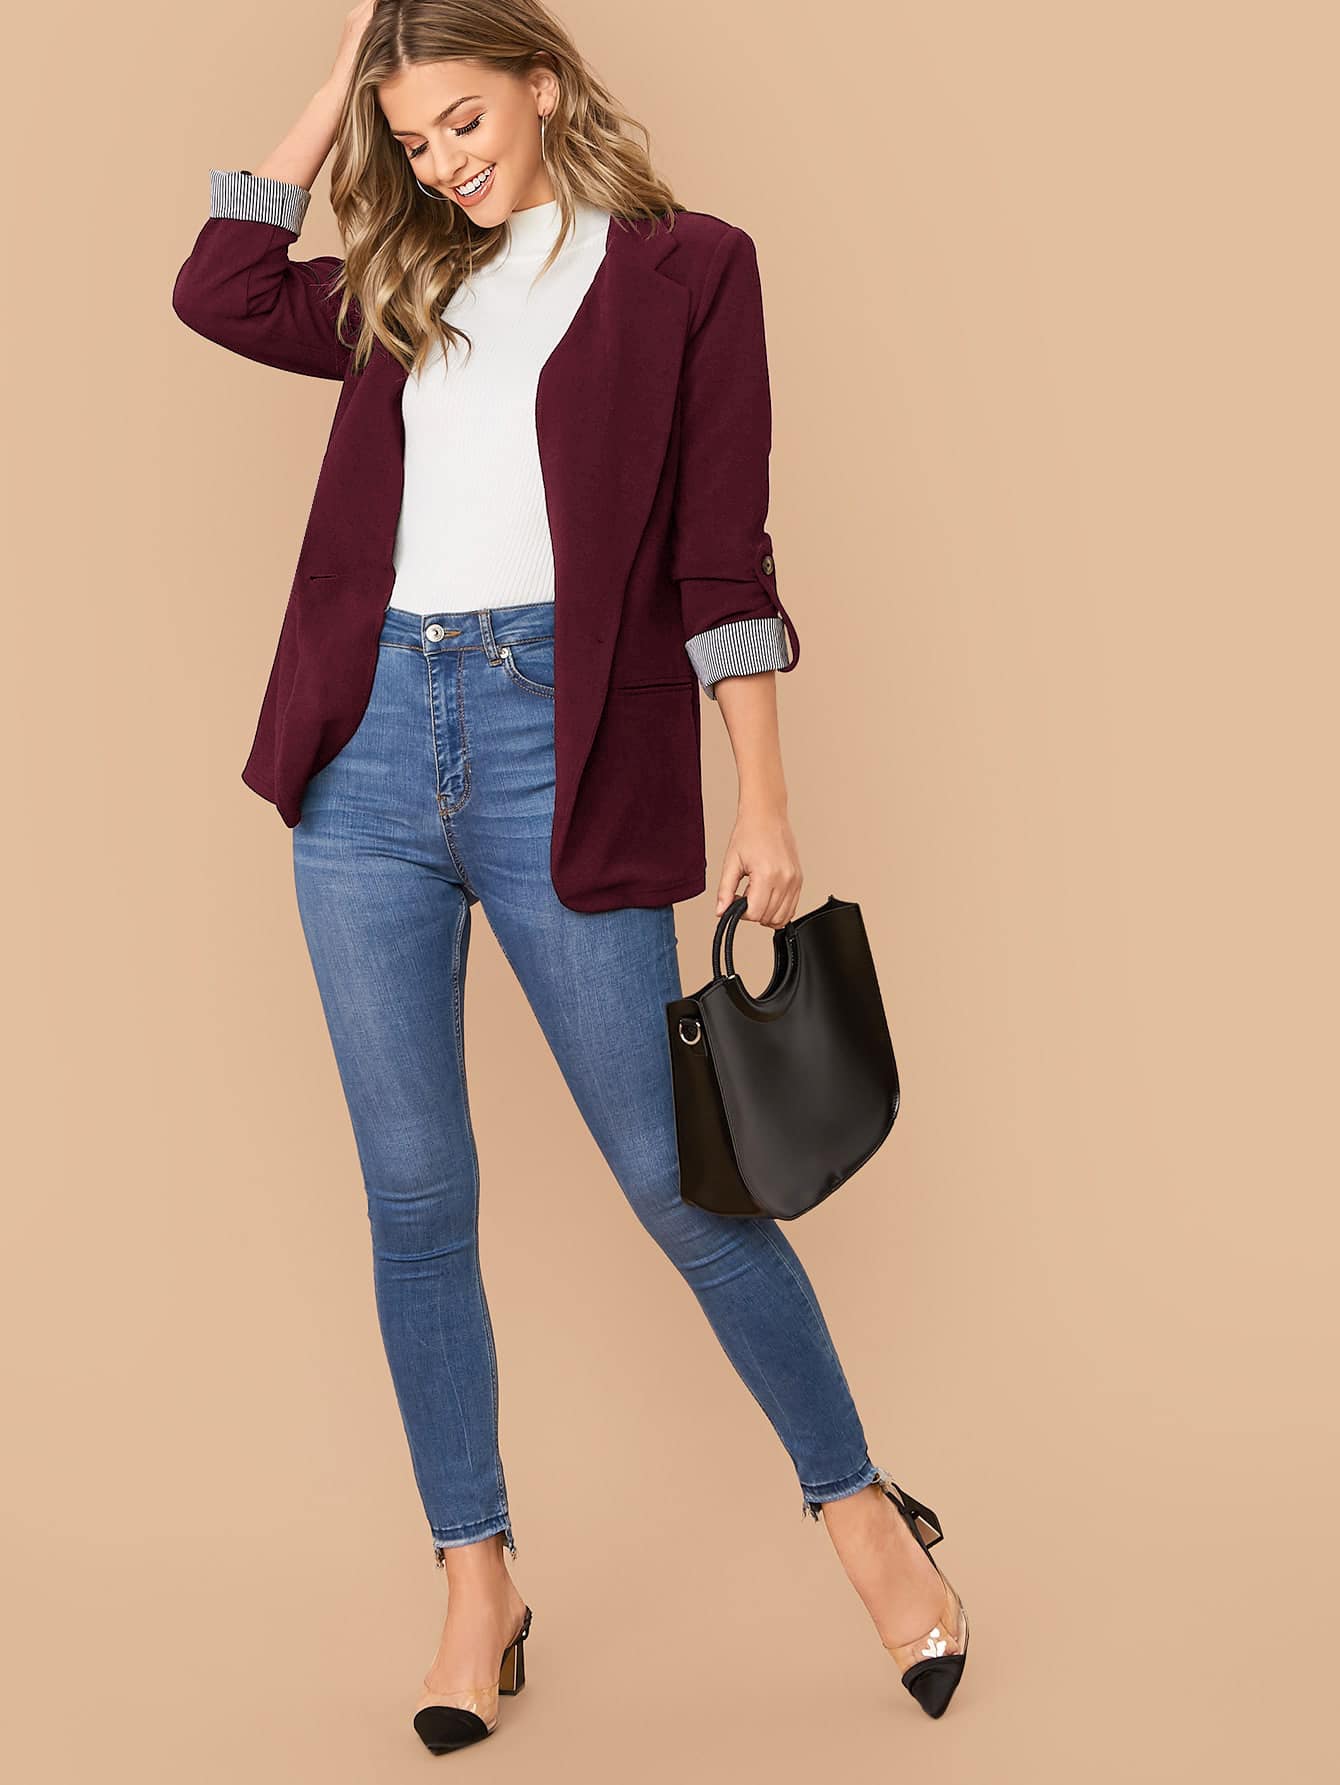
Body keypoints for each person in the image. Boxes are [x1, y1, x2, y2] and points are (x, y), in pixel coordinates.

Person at [171, 0, 968, 1747]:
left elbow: (722, 556)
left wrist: (764, 799)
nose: (443, 164)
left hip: (565, 747)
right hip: (367, 754)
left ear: (544, 84)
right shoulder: (402, 281)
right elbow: (218, 287)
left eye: (464, 120)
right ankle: (478, 1578)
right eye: (412, 142)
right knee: (413, 1195)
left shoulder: (691, 272)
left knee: (677, 1180)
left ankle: (860, 1509)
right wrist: (350, 76)